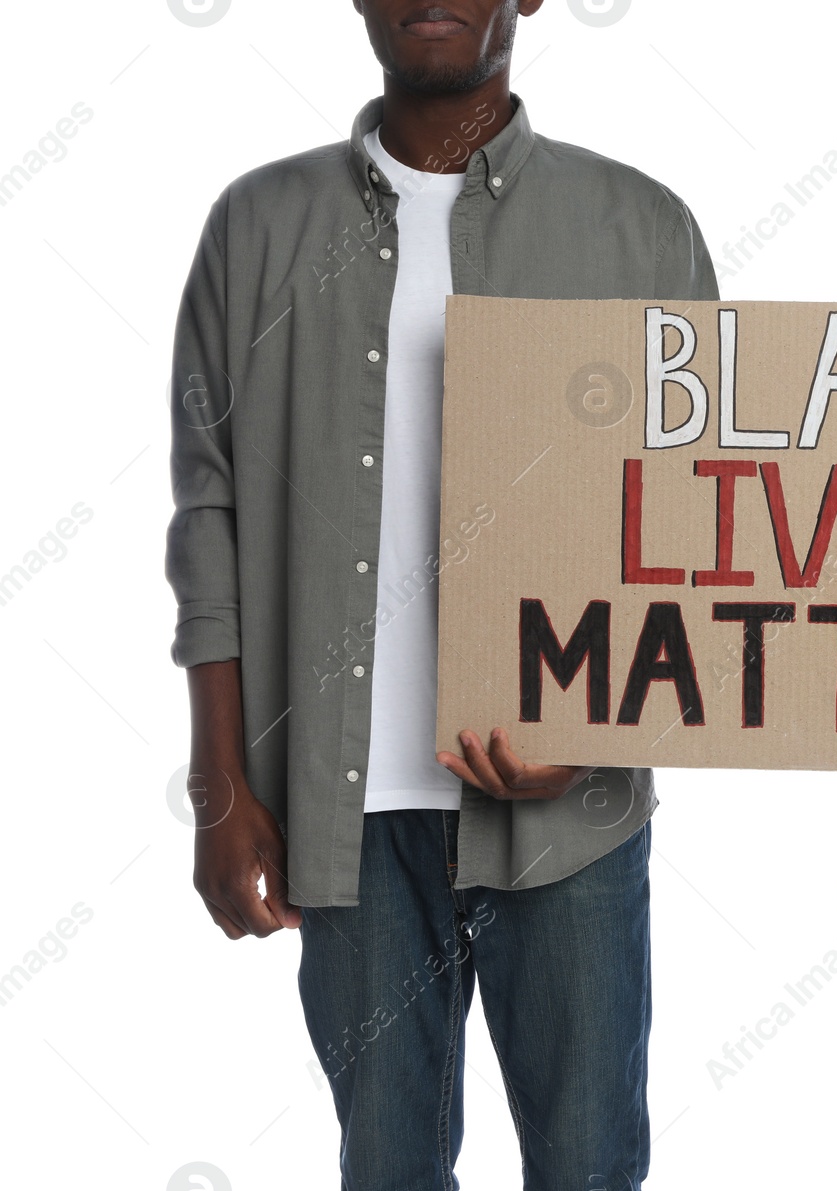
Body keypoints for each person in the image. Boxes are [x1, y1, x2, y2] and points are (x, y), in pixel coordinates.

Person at [164, 2, 716, 1185]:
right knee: (387, 1169)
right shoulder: (257, 225)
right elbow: (207, 518)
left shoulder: (639, 228)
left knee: (588, 1166)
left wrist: (601, 721)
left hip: (569, 820)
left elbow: (701, 524)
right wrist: (220, 786)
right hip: (339, 812)